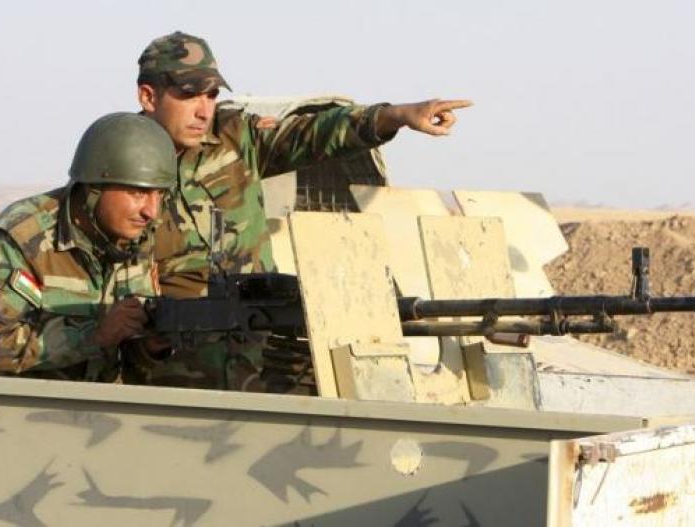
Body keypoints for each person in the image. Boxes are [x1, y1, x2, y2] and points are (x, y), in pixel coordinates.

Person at [127, 31, 471, 390]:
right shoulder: (116, 162)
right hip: (174, 372)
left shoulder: (236, 138)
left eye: (211, 95)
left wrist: (394, 116)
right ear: (148, 97)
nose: (203, 110)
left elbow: (314, 134)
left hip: (261, 357)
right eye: (188, 94)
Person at [0, 113, 176, 381]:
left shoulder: (138, 238)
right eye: (138, 193)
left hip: (86, 408)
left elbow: (127, 351)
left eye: (160, 194)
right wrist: (95, 333)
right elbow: (1, 347)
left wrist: (150, 346)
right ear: (94, 187)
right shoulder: (23, 237)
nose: (152, 211)